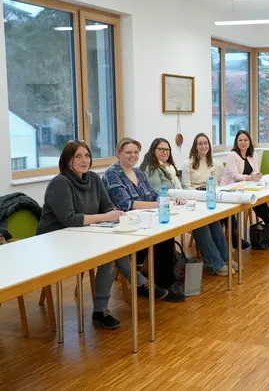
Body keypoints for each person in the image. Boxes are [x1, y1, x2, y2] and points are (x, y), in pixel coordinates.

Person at [35, 140, 162, 330]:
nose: (84, 160)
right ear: (67, 160)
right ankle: (133, 289)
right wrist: (105, 217)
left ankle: (112, 303)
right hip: (57, 240)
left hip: (84, 233)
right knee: (108, 255)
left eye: (87, 155)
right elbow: (69, 219)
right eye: (78, 156)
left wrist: (114, 214)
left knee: (114, 249)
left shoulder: (93, 178)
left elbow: (107, 206)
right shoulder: (60, 183)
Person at [103, 138, 186, 302]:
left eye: (136, 152)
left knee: (166, 233)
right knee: (162, 237)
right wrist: (159, 204)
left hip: (145, 221)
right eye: (128, 152)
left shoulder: (139, 173)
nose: (133, 155)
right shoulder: (112, 174)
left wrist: (168, 199)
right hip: (125, 226)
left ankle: (165, 282)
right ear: (118, 153)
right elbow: (126, 204)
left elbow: (152, 195)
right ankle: (162, 283)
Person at [141, 137, 237, 276]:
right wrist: (177, 198)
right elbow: (157, 193)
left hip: (181, 204)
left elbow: (179, 188)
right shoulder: (152, 168)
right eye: (161, 149)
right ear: (153, 151)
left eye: (167, 149)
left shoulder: (169, 167)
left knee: (212, 219)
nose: (165, 152)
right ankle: (216, 263)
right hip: (166, 210)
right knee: (200, 224)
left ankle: (225, 258)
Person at [182, 134, 249, 250]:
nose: (203, 146)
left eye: (206, 143)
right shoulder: (187, 163)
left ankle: (232, 236)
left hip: (211, 193)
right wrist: (203, 194)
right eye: (200, 144)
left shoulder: (212, 162)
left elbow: (215, 183)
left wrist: (217, 192)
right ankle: (230, 238)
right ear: (195, 146)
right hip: (196, 196)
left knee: (228, 207)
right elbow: (186, 186)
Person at [221, 130, 269, 245]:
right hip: (229, 190)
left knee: (257, 199)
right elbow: (235, 176)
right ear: (236, 142)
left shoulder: (252, 154)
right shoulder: (232, 155)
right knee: (253, 200)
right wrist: (250, 177)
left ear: (250, 142)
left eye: (246, 140)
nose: (243, 142)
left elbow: (255, 171)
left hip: (245, 188)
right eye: (240, 140)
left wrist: (257, 175)